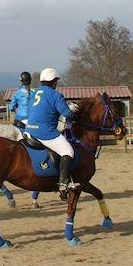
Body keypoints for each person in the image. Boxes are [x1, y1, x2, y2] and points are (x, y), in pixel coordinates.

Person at [25, 68, 80, 199]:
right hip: (45, 132)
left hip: (29, 129)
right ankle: (62, 184)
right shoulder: (56, 95)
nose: (56, 83)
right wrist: (72, 110)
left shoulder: (35, 93)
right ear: (53, 82)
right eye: (56, 81)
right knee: (68, 151)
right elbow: (67, 113)